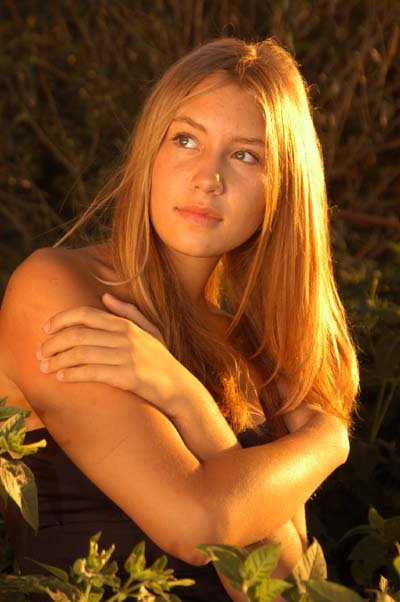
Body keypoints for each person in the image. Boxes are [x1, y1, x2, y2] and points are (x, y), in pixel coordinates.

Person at [0, 37, 358, 601]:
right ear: (149, 152)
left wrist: (186, 398)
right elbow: (194, 526)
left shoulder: (254, 350)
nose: (208, 178)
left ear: (281, 191)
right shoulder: (58, 290)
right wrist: (328, 440)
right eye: (186, 139)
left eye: (245, 155)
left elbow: (280, 593)